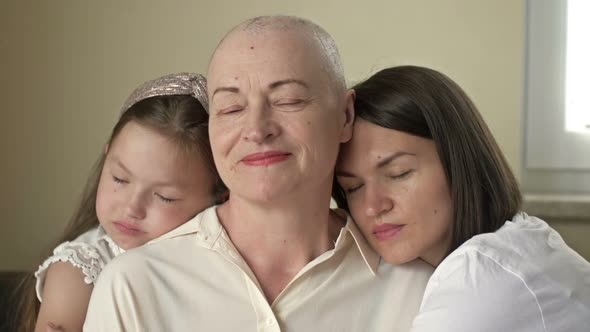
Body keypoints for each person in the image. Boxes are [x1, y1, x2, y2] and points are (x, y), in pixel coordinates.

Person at [84, 16, 433, 332]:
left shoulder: (420, 290)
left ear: (344, 115)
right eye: (231, 108)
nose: (256, 129)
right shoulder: (133, 286)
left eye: (288, 100)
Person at [334, 65, 590, 332]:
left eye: (399, 173)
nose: (373, 206)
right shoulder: (520, 242)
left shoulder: (481, 276)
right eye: (352, 187)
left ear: (459, 162)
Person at [15, 72, 223, 332]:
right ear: (106, 157)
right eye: (120, 179)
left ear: (218, 195)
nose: (131, 208)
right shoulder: (77, 273)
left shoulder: (219, 261)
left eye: (164, 197)